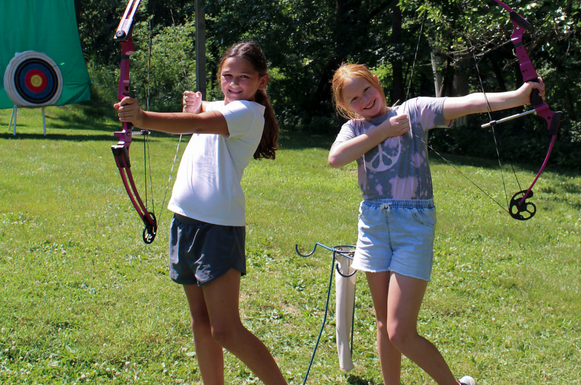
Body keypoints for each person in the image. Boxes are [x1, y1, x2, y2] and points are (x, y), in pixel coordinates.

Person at [328, 63, 547, 385]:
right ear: (346, 107)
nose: (365, 100)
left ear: (377, 82)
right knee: (381, 322)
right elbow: (336, 158)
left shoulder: (414, 111)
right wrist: (383, 131)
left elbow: (470, 102)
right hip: (374, 225)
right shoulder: (355, 130)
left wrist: (518, 97)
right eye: (354, 99)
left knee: (399, 331)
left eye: (367, 90)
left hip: (413, 226)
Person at [114, 41, 286, 385]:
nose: (234, 83)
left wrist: (143, 118)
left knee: (225, 329)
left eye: (244, 78)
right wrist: (199, 102)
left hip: (218, 228)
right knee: (200, 321)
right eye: (227, 76)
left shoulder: (249, 113)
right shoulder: (224, 105)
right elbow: (205, 108)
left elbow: (197, 120)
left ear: (261, 82)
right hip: (185, 221)